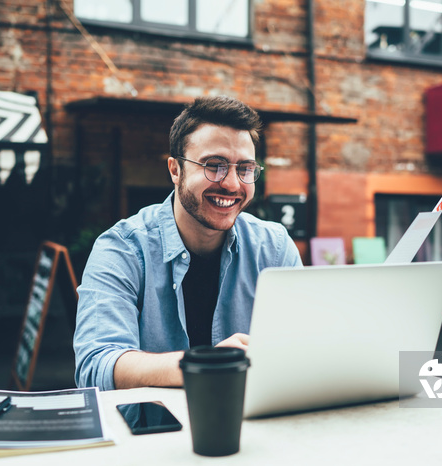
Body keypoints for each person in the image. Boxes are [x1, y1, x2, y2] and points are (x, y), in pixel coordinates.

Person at [74, 96, 302, 391]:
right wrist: (205, 364)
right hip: (154, 434)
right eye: (214, 165)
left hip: (253, 424)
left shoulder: (273, 248)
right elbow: (96, 366)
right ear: (175, 170)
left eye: (245, 168)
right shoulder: (122, 250)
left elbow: (301, 350)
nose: (232, 184)